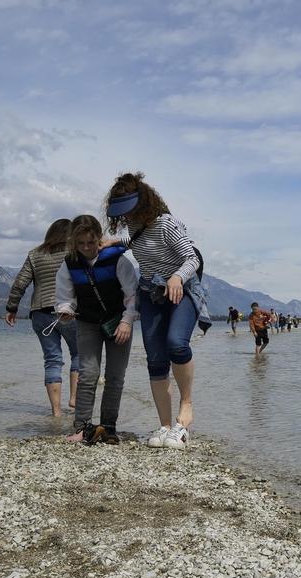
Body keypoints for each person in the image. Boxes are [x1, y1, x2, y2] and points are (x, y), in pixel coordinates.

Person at [104, 172, 211, 449]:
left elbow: (191, 257)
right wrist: (113, 242)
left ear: (144, 203)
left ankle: (186, 409)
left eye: (130, 211)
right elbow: (133, 242)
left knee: (177, 344)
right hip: (151, 293)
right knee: (155, 359)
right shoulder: (134, 230)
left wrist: (177, 277)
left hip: (182, 289)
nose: (126, 217)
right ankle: (165, 427)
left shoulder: (167, 224)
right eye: (121, 214)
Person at [55, 215, 137, 445]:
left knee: (115, 376)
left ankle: (108, 426)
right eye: (80, 243)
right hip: (87, 323)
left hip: (118, 322)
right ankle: (82, 427)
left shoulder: (118, 260)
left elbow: (132, 295)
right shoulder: (69, 263)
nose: (86, 248)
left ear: (99, 239)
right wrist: (64, 310)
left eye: (91, 242)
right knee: (88, 374)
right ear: (74, 242)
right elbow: (64, 297)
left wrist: (127, 321)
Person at [5, 219, 79, 416]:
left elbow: (21, 282)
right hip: (68, 311)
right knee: (79, 354)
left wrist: (12, 307)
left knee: (52, 359)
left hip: (40, 312)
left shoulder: (35, 254)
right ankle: (74, 399)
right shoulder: (74, 251)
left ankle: (56, 411)